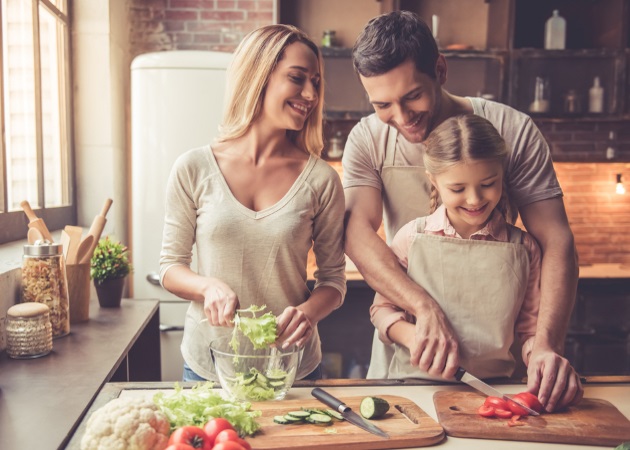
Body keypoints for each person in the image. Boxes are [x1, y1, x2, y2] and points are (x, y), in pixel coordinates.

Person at [343, 11, 582, 411]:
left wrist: (544, 346)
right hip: (409, 363)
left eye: (412, 95)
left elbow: (556, 239)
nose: (401, 118)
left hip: (498, 376)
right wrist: (422, 307)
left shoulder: (514, 131)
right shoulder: (367, 139)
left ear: (440, 69)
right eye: (383, 104)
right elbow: (355, 234)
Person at [159, 24, 346, 382]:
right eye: (297, 78)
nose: (310, 93)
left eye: (316, 82)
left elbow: (333, 282)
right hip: (210, 366)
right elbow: (170, 267)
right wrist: (207, 286)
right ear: (259, 76)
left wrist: (308, 312)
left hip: (291, 368)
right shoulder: (194, 168)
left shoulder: (321, 179)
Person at [371, 114, 547, 383]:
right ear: (434, 181)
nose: (474, 199)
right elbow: (381, 310)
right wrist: (412, 336)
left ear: (502, 174)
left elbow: (531, 330)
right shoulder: (411, 238)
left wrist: (539, 356)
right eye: (457, 188)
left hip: (496, 389)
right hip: (417, 388)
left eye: (488, 184)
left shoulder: (525, 249)